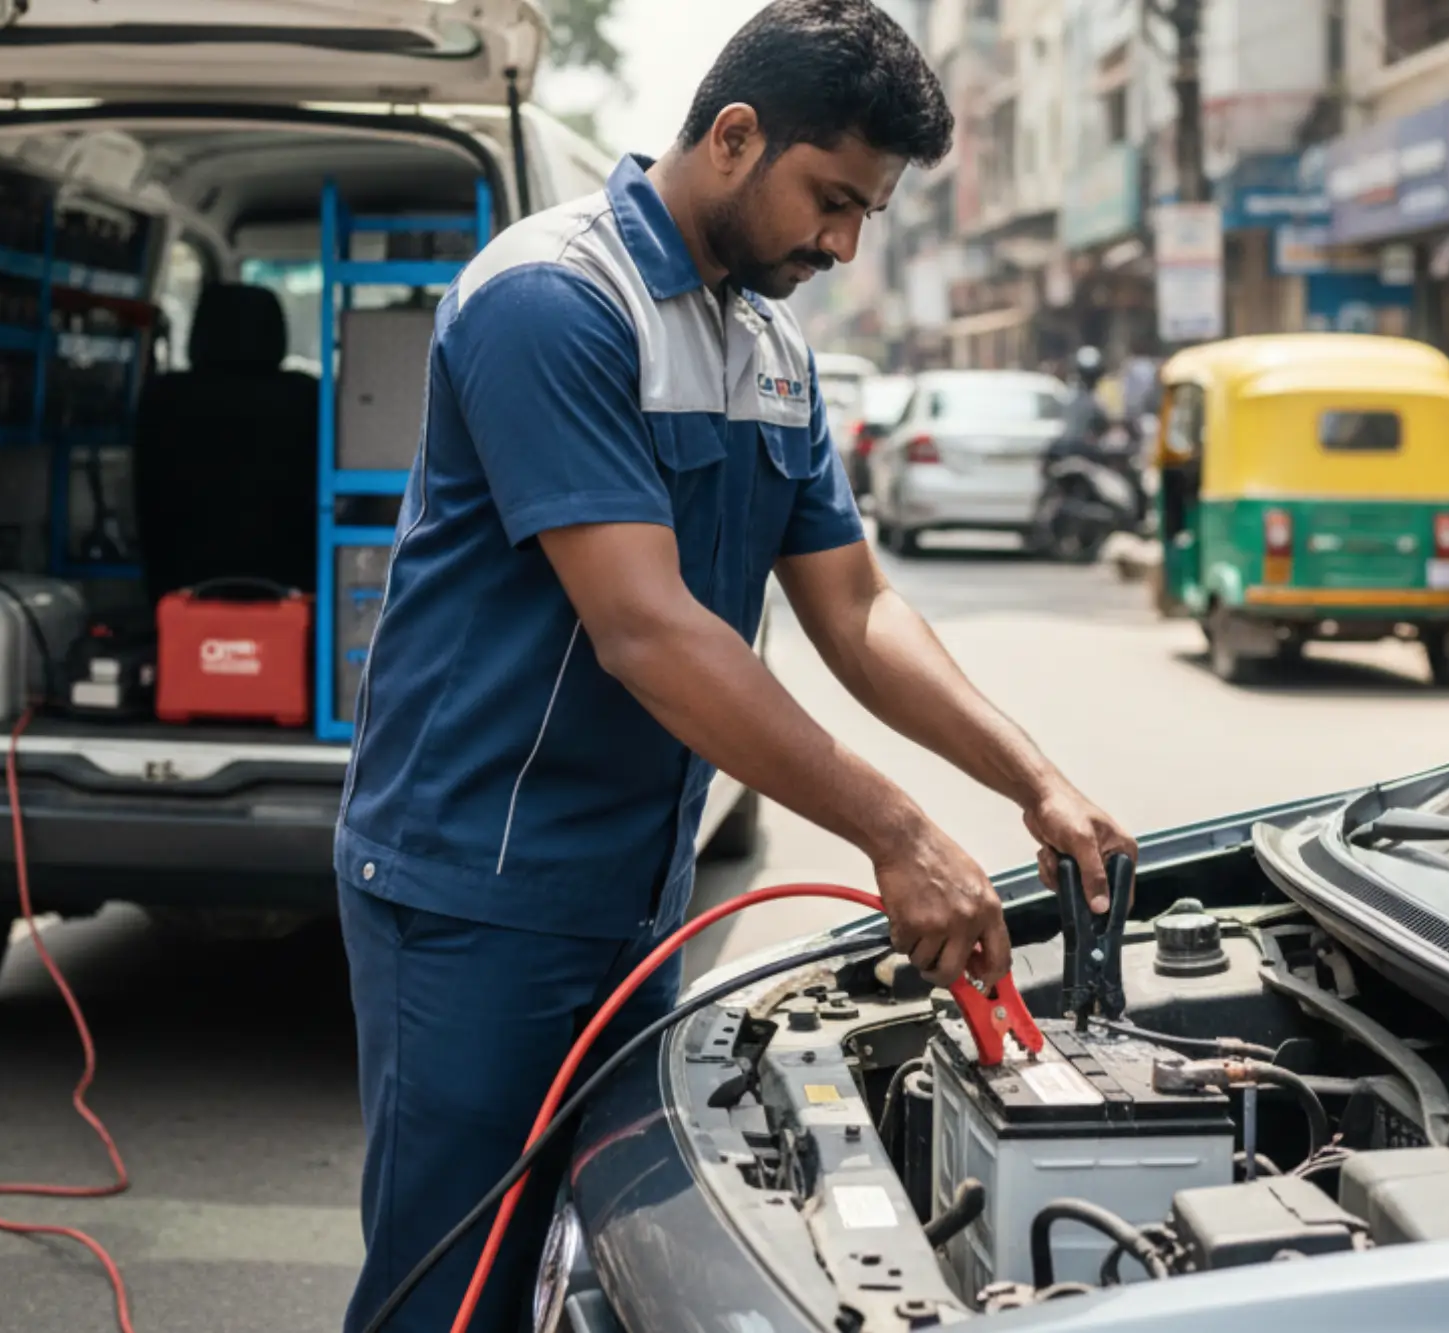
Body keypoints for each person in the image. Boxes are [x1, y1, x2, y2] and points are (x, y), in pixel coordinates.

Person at [332, 3, 1136, 1329]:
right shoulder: (554, 301)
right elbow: (644, 629)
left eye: (867, 213)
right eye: (831, 200)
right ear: (733, 136)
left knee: (582, 1261)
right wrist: (896, 832)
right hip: (479, 883)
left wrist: (1031, 780)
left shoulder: (768, 346)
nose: (844, 244)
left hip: (637, 887)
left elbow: (855, 607)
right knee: (454, 1281)